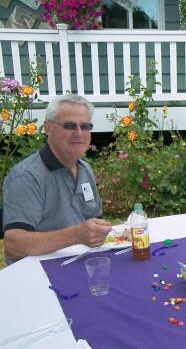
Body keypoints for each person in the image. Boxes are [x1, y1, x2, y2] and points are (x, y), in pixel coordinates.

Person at [2, 94, 112, 265]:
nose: (79, 133)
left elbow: (95, 219)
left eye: (85, 126)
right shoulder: (26, 176)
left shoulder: (84, 169)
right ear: (48, 128)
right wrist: (76, 235)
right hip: (39, 274)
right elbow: (14, 243)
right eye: (69, 126)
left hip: (81, 263)